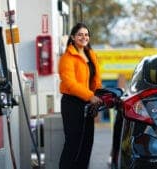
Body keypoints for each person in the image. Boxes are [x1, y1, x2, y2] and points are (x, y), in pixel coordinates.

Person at [58, 22, 103, 169]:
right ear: (72, 37)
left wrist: (98, 96)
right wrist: (90, 96)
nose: (84, 37)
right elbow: (70, 83)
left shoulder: (91, 55)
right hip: (72, 104)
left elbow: (96, 79)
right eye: (80, 34)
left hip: (88, 103)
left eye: (86, 34)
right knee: (73, 143)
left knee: (86, 143)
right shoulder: (67, 58)